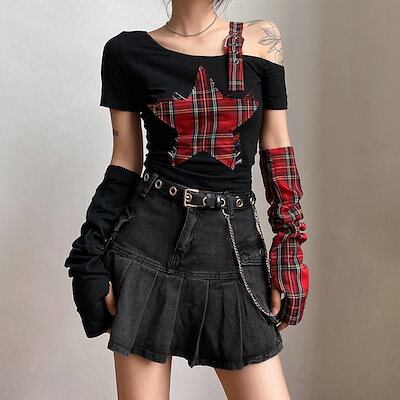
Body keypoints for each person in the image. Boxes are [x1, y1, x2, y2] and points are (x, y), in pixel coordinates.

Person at [64, 1, 310, 399]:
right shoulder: (126, 51)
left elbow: (277, 147)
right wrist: (87, 256)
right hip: (147, 244)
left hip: (231, 247)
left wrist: (289, 247)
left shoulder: (261, 39)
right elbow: (125, 161)